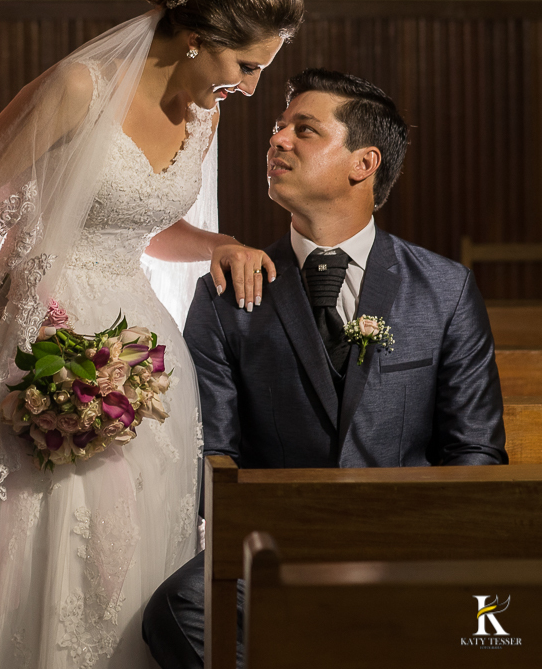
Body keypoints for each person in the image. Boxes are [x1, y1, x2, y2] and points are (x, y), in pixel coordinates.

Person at [0, 0, 303, 669]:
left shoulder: (204, 112)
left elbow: (144, 224)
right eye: (246, 64)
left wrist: (216, 244)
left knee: (122, 554)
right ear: (196, 34)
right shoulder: (78, 90)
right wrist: (6, 308)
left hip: (140, 348)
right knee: (33, 541)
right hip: (43, 337)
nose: (252, 87)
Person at [142, 68, 508, 668]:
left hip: (410, 540)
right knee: (176, 609)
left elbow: (476, 451)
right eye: (279, 126)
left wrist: (423, 541)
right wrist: (264, 537)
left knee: (495, 619)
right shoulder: (224, 293)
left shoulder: (443, 287)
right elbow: (212, 449)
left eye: (303, 130)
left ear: (363, 164)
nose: (277, 139)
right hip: (274, 543)